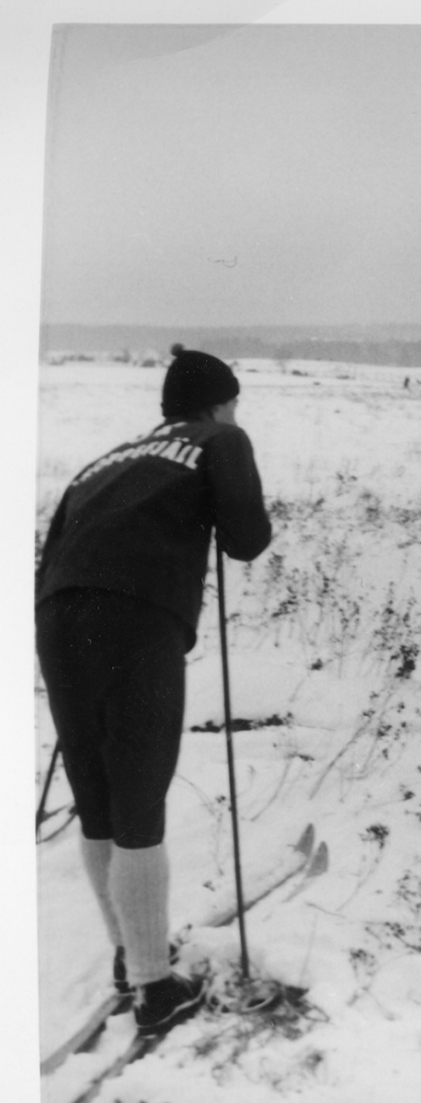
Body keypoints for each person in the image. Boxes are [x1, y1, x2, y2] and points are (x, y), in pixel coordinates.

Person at [36, 344, 272, 1036]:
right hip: (136, 621)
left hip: (57, 617)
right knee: (139, 799)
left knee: (98, 801)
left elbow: (51, 554)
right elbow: (247, 540)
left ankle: (128, 955)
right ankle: (155, 988)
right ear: (219, 403)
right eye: (233, 403)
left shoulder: (106, 460)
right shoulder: (221, 439)